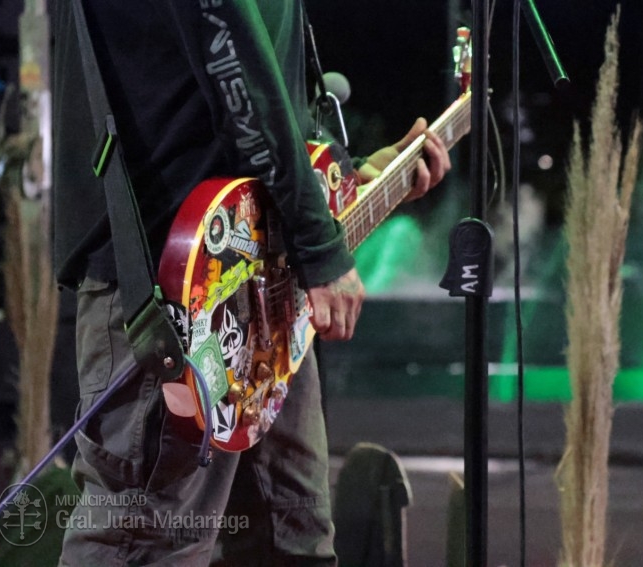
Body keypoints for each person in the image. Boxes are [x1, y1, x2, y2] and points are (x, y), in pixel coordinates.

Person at [51, 1, 451, 566]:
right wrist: (317, 240)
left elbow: (228, 97)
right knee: (143, 543)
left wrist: (336, 178)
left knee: (290, 540)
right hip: (169, 286)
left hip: (259, 282)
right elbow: (230, 61)